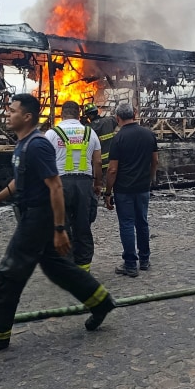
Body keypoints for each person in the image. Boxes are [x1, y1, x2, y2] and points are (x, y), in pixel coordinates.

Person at [0, 94, 116, 356]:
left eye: (12, 111)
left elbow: (55, 185)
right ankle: (100, 302)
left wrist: (59, 229)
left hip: (37, 217)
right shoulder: (24, 145)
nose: (7, 115)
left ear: (27, 117)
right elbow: (19, 182)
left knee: (8, 275)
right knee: (59, 268)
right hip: (32, 214)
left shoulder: (38, 145)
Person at [45, 101, 103, 272]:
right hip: (84, 184)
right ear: (79, 115)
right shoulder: (90, 132)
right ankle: (84, 269)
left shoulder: (51, 134)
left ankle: (67, 268)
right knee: (83, 226)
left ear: (61, 114)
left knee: (62, 226)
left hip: (60, 184)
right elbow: (98, 161)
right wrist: (98, 184)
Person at [104, 103, 159, 278]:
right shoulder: (149, 134)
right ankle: (144, 260)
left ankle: (130, 264)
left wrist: (107, 192)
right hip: (142, 188)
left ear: (118, 118)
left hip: (124, 190)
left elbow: (112, 169)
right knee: (142, 222)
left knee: (127, 224)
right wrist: (148, 180)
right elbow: (155, 161)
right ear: (134, 115)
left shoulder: (118, 139)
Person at [85, 102, 118, 172]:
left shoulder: (88, 128)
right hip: (111, 161)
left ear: (89, 116)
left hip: (98, 164)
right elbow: (116, 120)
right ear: (97, 111)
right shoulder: (109, 120)